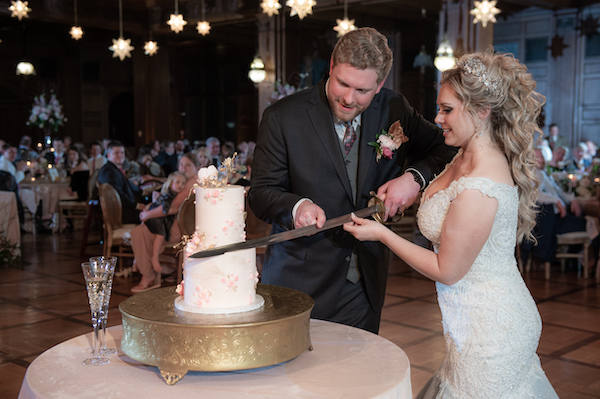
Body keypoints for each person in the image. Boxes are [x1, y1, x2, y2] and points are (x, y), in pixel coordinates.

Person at [343, 51, 559, 398]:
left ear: (481, 111)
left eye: (447, 109)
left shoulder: (481, 184)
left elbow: (448, 270)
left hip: (492, 331)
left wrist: (382, 234)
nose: (437, 118)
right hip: (468, 326)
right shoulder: (462, 153)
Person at [248, 27, 456, 334]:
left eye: (362, 91)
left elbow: (447, 147)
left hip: (364, 284)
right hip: (298, 282)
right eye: (342, 84)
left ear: (380, 84)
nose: (348, 98)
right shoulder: (283, 117)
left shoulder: (394, 108)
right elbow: (261, 193)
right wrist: (296, 207)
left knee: (357, 379)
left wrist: (414, 178)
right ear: (331, 66)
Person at [130, 153, 200, 293]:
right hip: (177, 224)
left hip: (181, 228)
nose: (183, 168)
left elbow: (172, 207)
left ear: (196, 167)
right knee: (143, 230)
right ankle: (165, 269)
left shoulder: (192, 182)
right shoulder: (186, 180)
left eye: (188, 165)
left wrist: (147, 214)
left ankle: (148, 275)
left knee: (139, 232)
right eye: (181, 164)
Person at [143, 171, 188, 276]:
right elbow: (165, 210)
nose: (180, 185)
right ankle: (154, 257)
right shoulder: (167, 196)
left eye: (183, 183)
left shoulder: (172, 195)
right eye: (177, 182)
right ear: (170, 183)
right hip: (156, 220)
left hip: (159, 220)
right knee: (160, 236)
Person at [97, 141, 145, 224]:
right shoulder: (108, 171)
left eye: (122, 152)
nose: (120, 155)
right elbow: (116, 194)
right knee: (156, 215)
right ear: (109, 155)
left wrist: (143, 191)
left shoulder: (114, 169)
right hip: (122, 213)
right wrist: (136, 205)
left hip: (127, 208)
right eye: (116, 153)